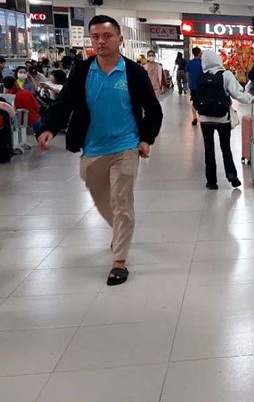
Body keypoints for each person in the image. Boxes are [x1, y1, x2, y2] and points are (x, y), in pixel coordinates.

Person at [38, 15, 163, 286]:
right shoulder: (83, 71)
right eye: (95, 37)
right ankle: (120, 229)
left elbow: (153, 109)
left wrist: (146, 139)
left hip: (126, 145)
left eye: (107, 36)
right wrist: (48, 126)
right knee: (101, 197)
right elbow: (65, 102)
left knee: (122, 201)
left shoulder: (133, 73)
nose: (101, 41)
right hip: (93, 147)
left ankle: (119, 261)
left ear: (120, 39)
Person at [196, 51, 254, 189]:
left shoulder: (201, 76)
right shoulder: (226, 75)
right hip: (222, 117)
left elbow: (195, 94)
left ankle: (211, 181)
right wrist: (251, 99)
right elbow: (237, 94)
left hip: (205, 118)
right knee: (225, 147)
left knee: (209, 150)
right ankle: (231, 174)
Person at [186, 47, 204, 126]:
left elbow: (187, 74)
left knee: (194, 102)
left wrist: (189, 82)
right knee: (202, 101)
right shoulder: (203, 63)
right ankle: (202, 117)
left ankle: (194, 117)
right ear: (199, 53)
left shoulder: (189, 63)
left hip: (193, 86)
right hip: (202, 86)